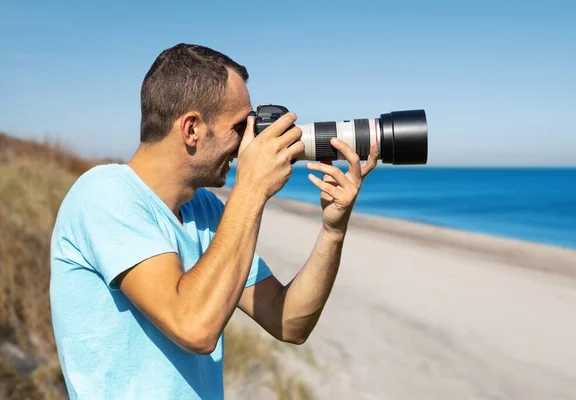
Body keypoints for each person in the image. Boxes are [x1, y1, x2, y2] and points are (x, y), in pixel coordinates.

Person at [49, 43, 379, 399]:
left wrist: (332, 230)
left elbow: (289, 321)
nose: (246, 145)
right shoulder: (104, 194)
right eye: (240, 127)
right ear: (191, 128)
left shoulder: (204, 209)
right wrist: (251, 188)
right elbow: (194, 327)